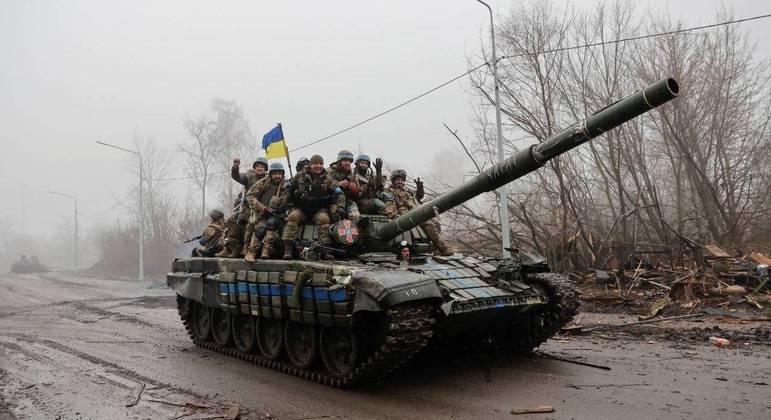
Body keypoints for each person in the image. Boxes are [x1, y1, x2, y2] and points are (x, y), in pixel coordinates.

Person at [283, 154, 343, 259]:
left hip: (318, 209)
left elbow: (339, 192)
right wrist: (285, 206)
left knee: (324, 219)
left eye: (320, 164)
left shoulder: (327, 178)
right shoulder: (300, 176)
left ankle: (325, 249)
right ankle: (288, 249)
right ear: (310, 165)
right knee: (292, 217)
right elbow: (288, 190)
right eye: (315, 163)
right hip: (301, 209)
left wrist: (340, 206)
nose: (318, 166)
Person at [382, 169, 453, 256]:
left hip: (416, 211)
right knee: (428, 224)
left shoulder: (407, 190)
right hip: (405, 214)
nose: (400, 181)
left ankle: (436, 248)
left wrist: (420, 188)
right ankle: (444, 248)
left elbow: (418, 197)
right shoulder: (389, 191)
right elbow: (390, 205)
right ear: (393, 180)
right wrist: (394, 216)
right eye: (397, 180)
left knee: (436, 223)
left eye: (401, 179)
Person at [217, 157, 268, 258]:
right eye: (257, 166)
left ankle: (247, 249)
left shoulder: (268, 180)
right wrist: (235, 167)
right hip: (245, 208)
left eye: (262, 166)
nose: (259, 168)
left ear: (265, 169)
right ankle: (232, 248)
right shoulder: (249, 176)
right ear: (254, 168)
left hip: (259, 210)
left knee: (250, 224)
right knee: (231, 220)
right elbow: (237, 177)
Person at [244, 162, 289, 261]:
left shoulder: (286, 186)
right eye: (275, 173)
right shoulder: (263, 183)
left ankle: (266, 250)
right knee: (261, 229)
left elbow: (289, 201)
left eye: (280, 173)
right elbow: (250, 196)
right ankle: (251, 253)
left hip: (277, 216)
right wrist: (261, 207)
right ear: (271, 174)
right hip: (263, 214)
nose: (277, 176)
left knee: (272, 224)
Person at [326, 149, 361, 221]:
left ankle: (355, 226)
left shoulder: (352, 174)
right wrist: (338, 184)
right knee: (336, 215)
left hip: (347, 199)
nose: (347, 163)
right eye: (345, 161)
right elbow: (325, 182)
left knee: (355, 215)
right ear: (339, 161)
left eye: (349, 161)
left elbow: (357, 191)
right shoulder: (330, 170)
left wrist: (355, 188)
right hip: (333, 200)